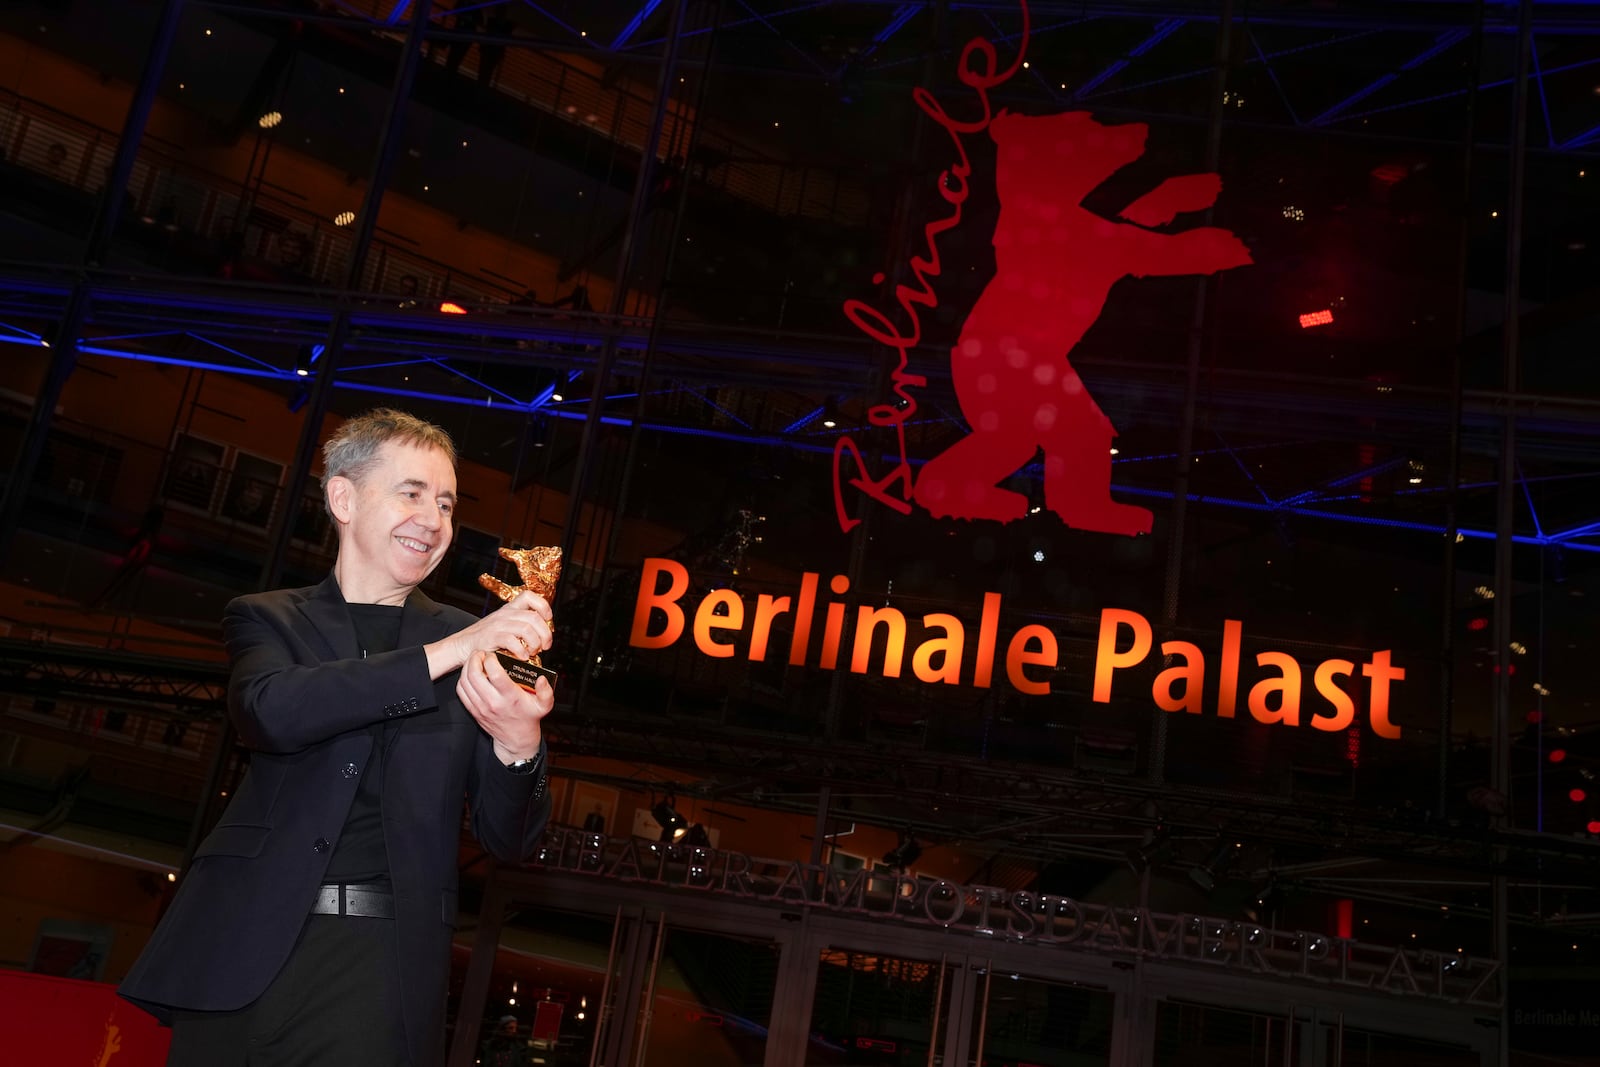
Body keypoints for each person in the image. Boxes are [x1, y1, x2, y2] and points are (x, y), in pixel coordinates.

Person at [120, 408, 557, 1066]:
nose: (434, 520)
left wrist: (518, 743)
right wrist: (451, 650)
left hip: (380, 965)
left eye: (446, 503)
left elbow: (511, 838)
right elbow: (272, 712)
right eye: (411, 492)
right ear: (343, 497)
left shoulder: (477, 646)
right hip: (244, 945)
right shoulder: (269, 618)